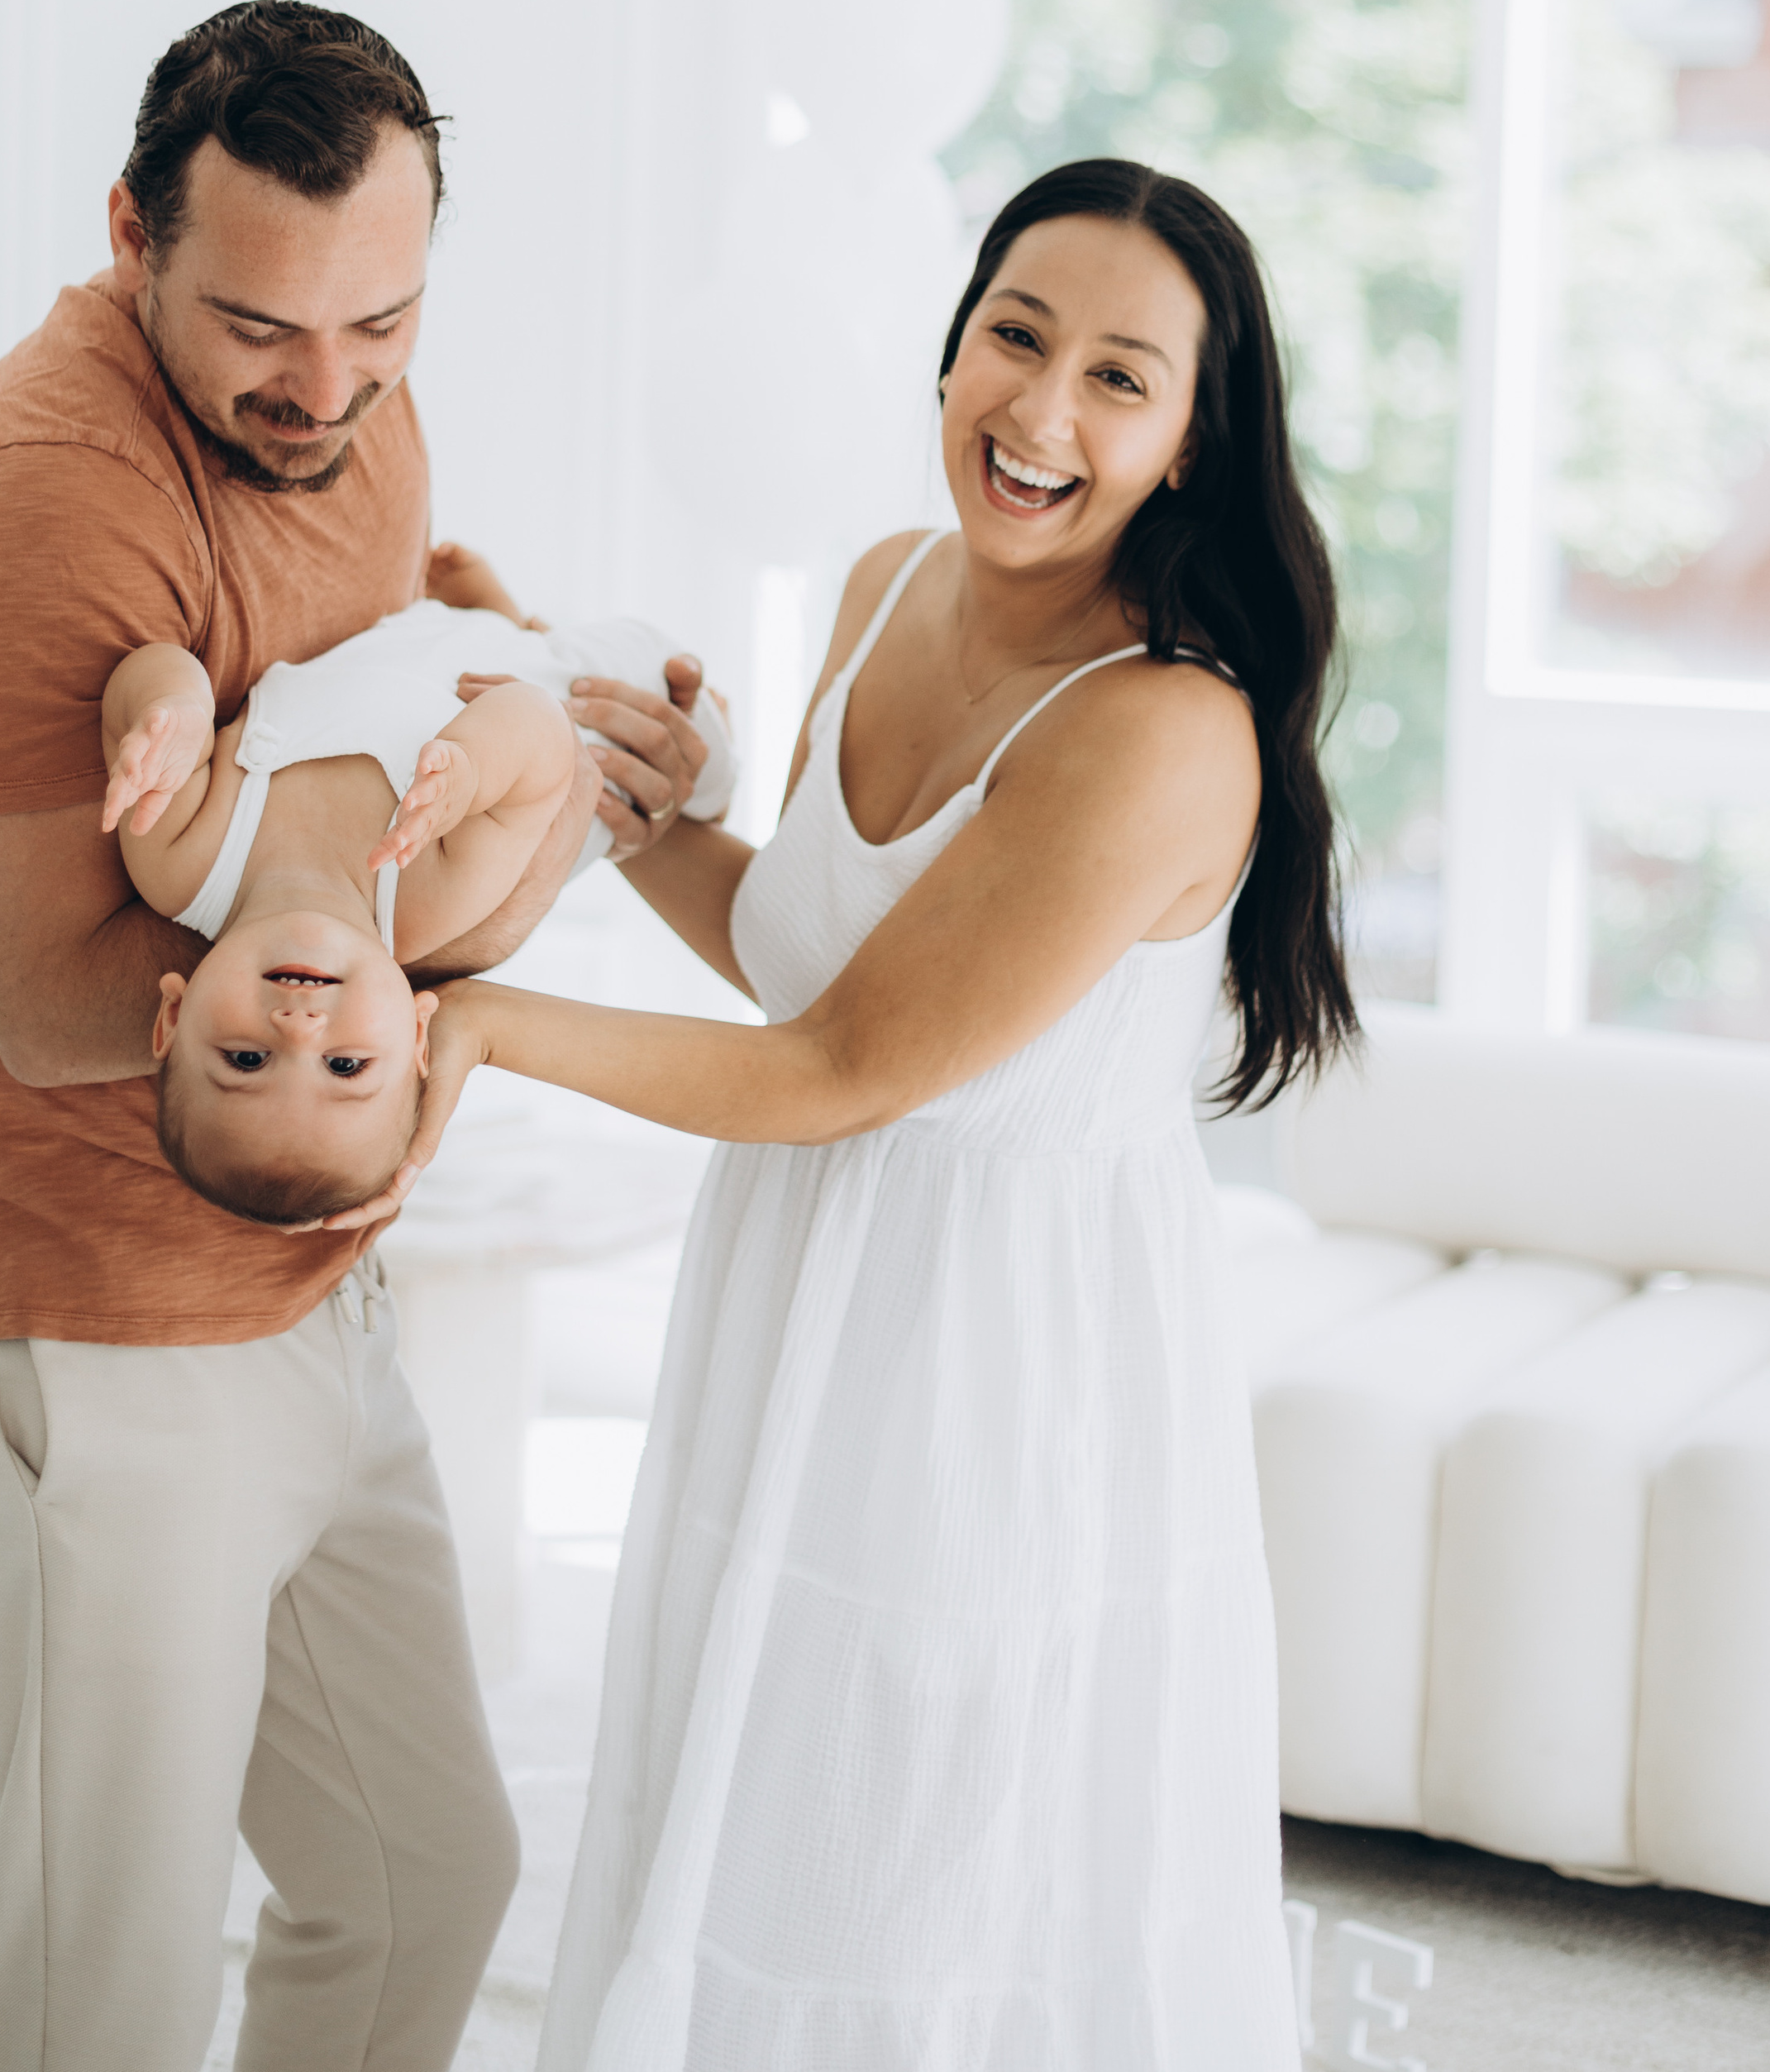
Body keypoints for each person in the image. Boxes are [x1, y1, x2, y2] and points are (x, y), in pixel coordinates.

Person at [409, 156, 1357, 2071]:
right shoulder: (882, 581)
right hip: (798, 1301)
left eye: (1116, 375)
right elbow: (805, 971)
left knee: (916, 1881)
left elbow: (845, 1073)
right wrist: (626, 790)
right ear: (948, 344)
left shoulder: (1160, 727)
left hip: (990, 1371)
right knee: (735, 1804)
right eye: (1013, 332)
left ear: (1186, 442)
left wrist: (491, 1018)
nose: (1036, 408)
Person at [0, 0, 709, 2072]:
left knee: (420, 1878)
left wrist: (550, 706)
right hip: (83, 1311)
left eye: (382, 323)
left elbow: (376, 670)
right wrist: (548, 834)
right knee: (103, 1977)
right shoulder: (37, 508)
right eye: (258, 328)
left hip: (304, 1278)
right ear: (131, 229)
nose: (325, 390)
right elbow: (64, 1010)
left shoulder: (349, 403)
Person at [104, 603, 737, 1225]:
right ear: (415, 1035)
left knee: (493, 622)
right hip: (592, 707)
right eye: (345, 1067)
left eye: (245, 1060)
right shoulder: (430, 900)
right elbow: (544, 737)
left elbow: (143, 674)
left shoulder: (178, 859)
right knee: (682, 719)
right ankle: (720, 781)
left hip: (428, 633)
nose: (298, 1029)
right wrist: (474, 771)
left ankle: (499, 605)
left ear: (174, 1018)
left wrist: (175, 707)